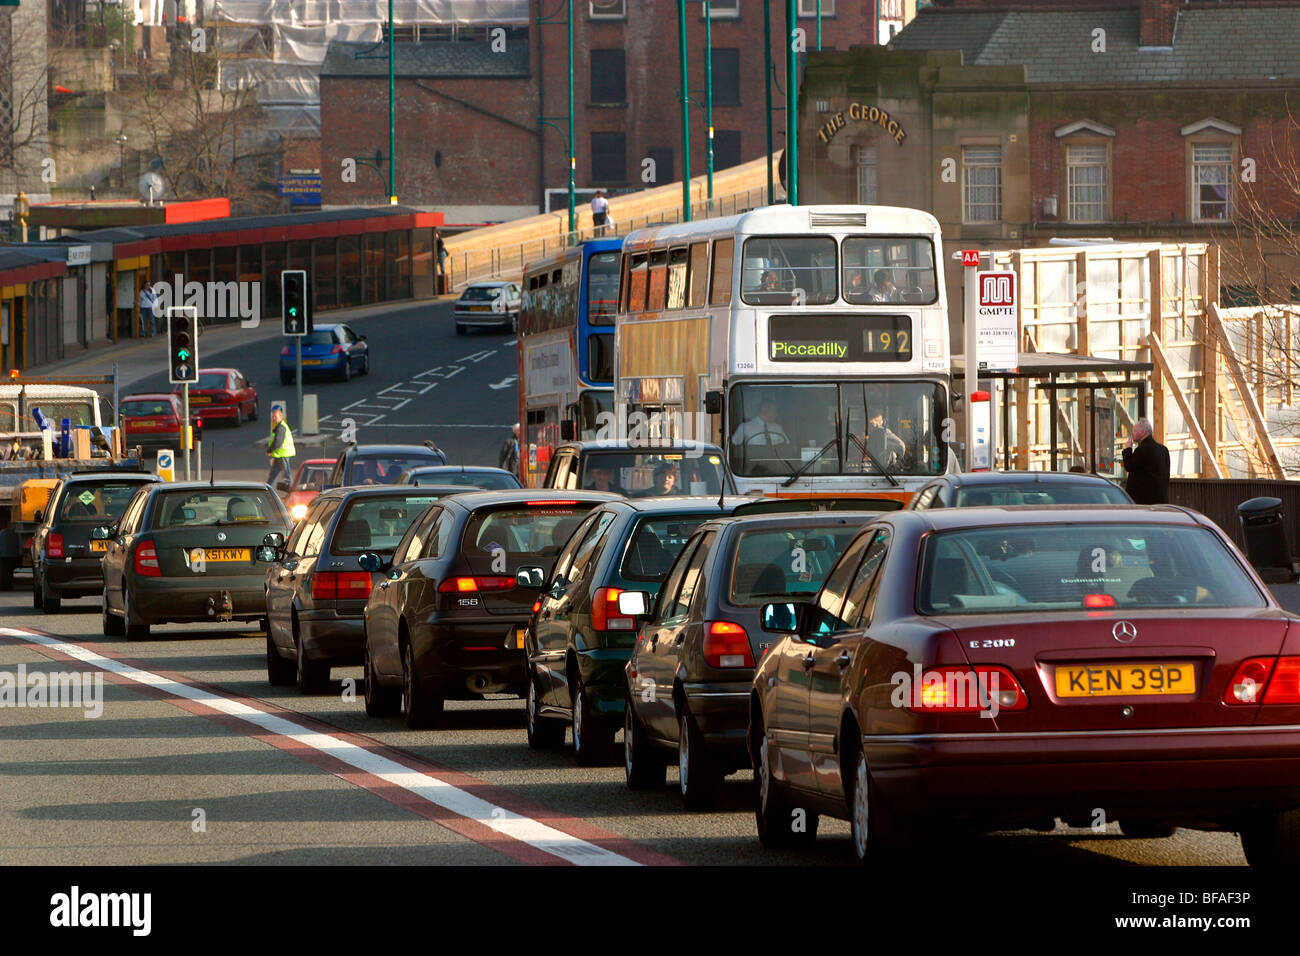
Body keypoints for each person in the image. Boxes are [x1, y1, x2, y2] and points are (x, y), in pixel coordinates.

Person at [1121, 417, 1170, 504]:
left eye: (1135, 431)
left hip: (1143, 501)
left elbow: (1129, 466)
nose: (1132, 433)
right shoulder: (1163, 449)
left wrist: (1128, 449)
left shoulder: (1142, 450)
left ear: (1143, 432)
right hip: (1161, 499)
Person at [265, 407, 296, 489]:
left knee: (287, 476)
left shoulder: (281, 427)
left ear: (281, 417)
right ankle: (267, 490)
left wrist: (270, 450)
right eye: (273, 416)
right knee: (273, 475)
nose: (274, 418)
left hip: (283, 454)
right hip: (279, 455)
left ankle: (292, 492)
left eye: (276, 416)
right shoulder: (278, 427)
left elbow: (278, 442)